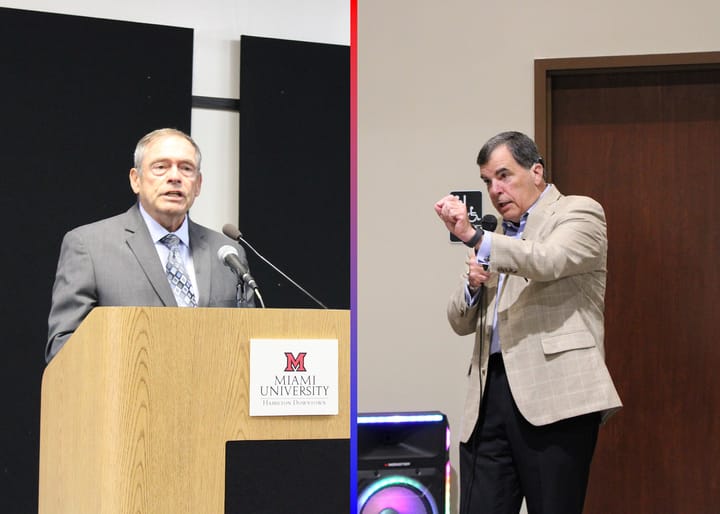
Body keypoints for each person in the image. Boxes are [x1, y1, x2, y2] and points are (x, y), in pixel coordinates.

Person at [434, 131, 622, 514]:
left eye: (504, 175)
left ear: (536, 171)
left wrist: (475, 237)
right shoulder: (496, 235)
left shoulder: (578, 212)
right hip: (490, 396)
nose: (495, 189)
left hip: (554, 396)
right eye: (488, 181)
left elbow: (547, 260)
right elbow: (458, 320)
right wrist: (472, 284)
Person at [46, 128, 254, 362]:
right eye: (161, 167)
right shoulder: (90, 247)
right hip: (130, 393)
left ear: (198, 184)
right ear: (136, 180)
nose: (175, 177)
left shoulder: (227, 253)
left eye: (186, 168)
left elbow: (250, 343)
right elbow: (63, 347)